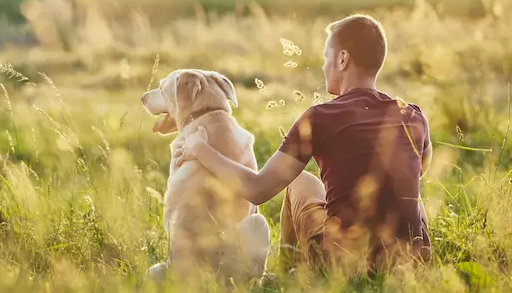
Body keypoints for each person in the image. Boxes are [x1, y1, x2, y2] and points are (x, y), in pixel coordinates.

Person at [173, 14, 432, 274]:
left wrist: (200, 149)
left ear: (343, 59)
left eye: (326, 57)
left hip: (345, 261)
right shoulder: (413, 115)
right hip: (411, 261)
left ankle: (289, 276)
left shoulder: (320, 117)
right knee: (411, 198)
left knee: (297, 182)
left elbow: (257, 189)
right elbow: (419, 171)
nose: (323, 66)